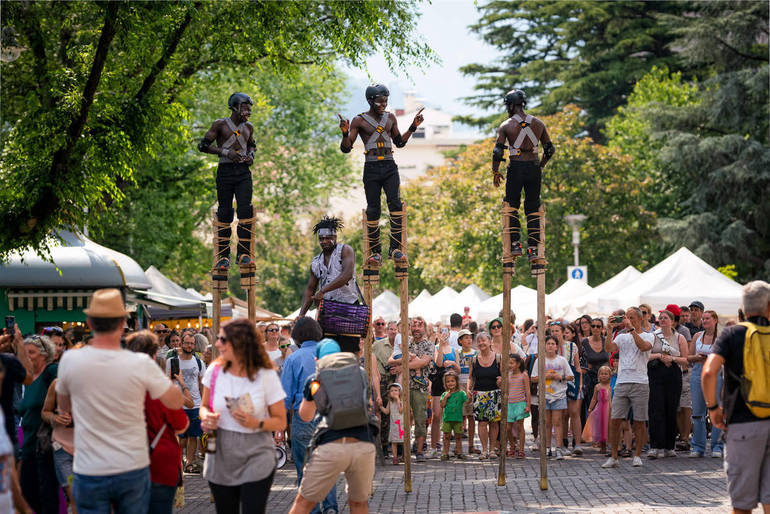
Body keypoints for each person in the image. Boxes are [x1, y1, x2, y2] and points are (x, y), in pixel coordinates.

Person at [56, 289, 185, 513]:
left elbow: (64, 411)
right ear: (123, 322)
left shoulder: (70, 360)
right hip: (131, 466)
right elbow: (175, 401)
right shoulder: (140, 363)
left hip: (90, 467)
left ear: (89, 322)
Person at [200, 319, 287, 514]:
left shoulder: (265, 374)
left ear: (240, 343)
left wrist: (256, 422)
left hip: (256, 453)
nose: (217, 344)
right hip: (221, 451)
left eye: (223, 339)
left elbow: (281, 420)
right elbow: (204, 406)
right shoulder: (214, 371)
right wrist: (206, 417)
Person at [338, 84, 425, 266]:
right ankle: (375, 252)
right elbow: (346, 148)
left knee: (395, 204)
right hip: (371, 167)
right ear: (370, 101)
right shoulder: (359, 121)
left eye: (385, 100)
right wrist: (345, 132)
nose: (383, 104)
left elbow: (399, 142)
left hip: (389, 166)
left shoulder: (390, 118)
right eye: (379, 101)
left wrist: (413, 126)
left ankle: (395, 249)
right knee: (373, 209)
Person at [288, 340, 378, 514]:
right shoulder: (359, 373)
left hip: (331, 445)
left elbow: (306, 416)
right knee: (359, 503)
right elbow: (368, 404)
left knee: (303, 502)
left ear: (317, 360)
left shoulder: (315, 380)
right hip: (363, 444)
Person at [704, 280, 770, 513]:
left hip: (743, 423)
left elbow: (709, 372)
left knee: (742, 504)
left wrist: (713, 408)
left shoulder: (732, 334)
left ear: (744, 308)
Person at [126, 331, 190, 514]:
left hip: (127, 464)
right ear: (154, 355)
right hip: (161, 465)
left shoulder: (119, 387)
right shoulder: (163, 388)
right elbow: (181, 425)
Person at [280, 317, 338, 514]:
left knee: (305, 469)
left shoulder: (293, 359)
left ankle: (312, 510)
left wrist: (280, 426)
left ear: (296, 336)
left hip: (303, 416)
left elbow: (285, 397)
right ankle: (330, 507)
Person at [491, 88, 555, 262]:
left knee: (512, 206)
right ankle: (533, 249)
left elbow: (498, 152)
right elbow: (549, 149)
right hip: (534, 167)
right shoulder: (539, 124)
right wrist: (540, 166)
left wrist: (496, 171)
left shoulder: (506, 126)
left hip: (516, 168)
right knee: (533, 207)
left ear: (511, 105)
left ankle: (515, 245)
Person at [198, 92, 256, 271]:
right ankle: (223, 257)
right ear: (235, 107)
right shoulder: (220, 124)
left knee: (245, 211)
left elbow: (252, 145)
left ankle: (243, 254)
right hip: (225, 171)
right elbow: (203, 146)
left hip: (243, 172)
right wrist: (225, 152)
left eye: (249, 108)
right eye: (245, 107)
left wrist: (251, 156)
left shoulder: (249, 127)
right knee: (225, 213)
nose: (248, 111)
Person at [299, 216, 362, 353]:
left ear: (335, 236)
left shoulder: (345, 250)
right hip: (328, 310)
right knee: (327, 350)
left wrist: (323, 291)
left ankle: (351, 373)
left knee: (349, 351)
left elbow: (347, 274)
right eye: (321, 239)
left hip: (348, 308)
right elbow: (310, 289)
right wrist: (301, 314)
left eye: (328, 238)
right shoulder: (316, 262)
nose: (324, 241)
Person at [601, 307, 653, 469]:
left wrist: (631, 328)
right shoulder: (622, 337)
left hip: (640, 382)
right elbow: (609, 349)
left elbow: (644, 347)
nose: (627, 320)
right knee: (615, 419)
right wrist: (609, 330)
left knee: (639, 420)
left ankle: (637, 455)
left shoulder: (648, 335)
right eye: (625, 317)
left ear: (639, 319)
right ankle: (614, 456)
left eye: (631, 317)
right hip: (622, 381)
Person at [18, 334, 59, 514]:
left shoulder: (52, 371)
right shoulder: (25, 379)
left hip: (45, 448)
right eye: (24, 353)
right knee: (28, 496)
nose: (27, 357)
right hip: (27, 447)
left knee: (47, 498)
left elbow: (69, 387)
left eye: (31, 353)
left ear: (44, 355)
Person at [387, 317, 432, 461]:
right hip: (403, 388)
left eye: (420, 325)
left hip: (419, 387)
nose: (416, 328)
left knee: (420, 418)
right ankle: (402, 451)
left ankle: (419, 451)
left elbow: (423, 362)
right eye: (414, 325)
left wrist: (401, 366)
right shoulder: (404, 342)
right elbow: (390, 360)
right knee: (402, 419)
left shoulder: (429, 345)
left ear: (424, 328)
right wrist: (408, 361)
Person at [646, 309, 688, 459]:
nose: (663, 320)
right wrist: (659, 356)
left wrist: (673, 359)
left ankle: (670, 446)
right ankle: (655, 446)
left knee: (671, 409)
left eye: (666, 318)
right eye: (661, 318)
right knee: (655, 409)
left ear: (672, 321)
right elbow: (645, 355)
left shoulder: (679, 337)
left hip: (673, 375)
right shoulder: (653, 336)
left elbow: (685, 359)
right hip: (656, 373)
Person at [165, 331, 206, 474]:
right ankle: (178, 460)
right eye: (187, 343)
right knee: (180, 438)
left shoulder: (199, 362)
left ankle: (189, 462)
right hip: (178, 403)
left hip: (195, 404)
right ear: (182, 344)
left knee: (193, 435)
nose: (190, 346)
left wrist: (203, 403)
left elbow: (202, 384)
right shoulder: (172, 361)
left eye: (192, 343)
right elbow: (167, 382)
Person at [531, 335, 573, 460]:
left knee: (558, 422)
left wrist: (559, 377)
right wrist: (545, 376)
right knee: (546, 423)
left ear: (556, 346)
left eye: (552, 343)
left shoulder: (562, 360)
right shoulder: (540, 360)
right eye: (547, 343)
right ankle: (547, 448)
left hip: (559, 395)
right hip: (544, 396)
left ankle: (559, 448)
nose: (550, 345)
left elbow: (570, 376)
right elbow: (533, 378)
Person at [688, 309, 723, 458]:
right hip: (697, 372)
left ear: (715, 320)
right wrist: (697, 357)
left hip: (715, 373)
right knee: (697, 412)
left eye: (707, 318)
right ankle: (698, 446)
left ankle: (717, 446)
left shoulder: (722, 337)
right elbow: (688, 357)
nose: (704, 321)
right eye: (703, 319)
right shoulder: (697, 336)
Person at [468, 331, 501, 460]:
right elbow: (471, 377)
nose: (481, 343)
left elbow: (504, 376)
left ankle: (492, 449)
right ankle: (484, 450)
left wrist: (501, 380)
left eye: (484, 340)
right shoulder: (474, 359)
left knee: (493, 423)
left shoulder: (498, 358)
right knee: (482, 423)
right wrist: (468, 389)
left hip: (494, 394)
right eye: (479, 341)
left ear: (490, 342)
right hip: (479, 394)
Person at [0, 326, 33, 452]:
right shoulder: (8, 361)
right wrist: (20, 343)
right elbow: (28, 377)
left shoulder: (9, 361)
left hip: (10, 427)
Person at [553, 321, 583, 454]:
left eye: (557, 331)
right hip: (555, 383)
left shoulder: (571, 346)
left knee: (575, 412)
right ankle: (563, 442)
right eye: (552, 331)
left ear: (563, 332)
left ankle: (577, 444)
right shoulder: (550, 346)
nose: (554, 333)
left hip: (571, 381)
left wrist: (580, 384)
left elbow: (577, 367)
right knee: (562, 414)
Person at [429, 330, 459, 458]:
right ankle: (434, 446)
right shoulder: (435, 348)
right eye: (442, 332)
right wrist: (440, 344)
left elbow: (458, 368)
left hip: (451, 384)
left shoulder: (454, 350)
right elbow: (439, 363)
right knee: (436, 416)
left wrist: (452, 363)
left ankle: (449, 447)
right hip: (438, 383)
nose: (444, 335)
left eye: (446, 332)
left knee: (451, 416)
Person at [372, 317, 396, 456]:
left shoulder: (401, 345)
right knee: (382, 413)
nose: (393, 332)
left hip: (396, 381)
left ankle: (396, 445)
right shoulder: (377, 345)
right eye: (391, 329)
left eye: (395, 329)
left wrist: (398, 367)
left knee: (396, 413)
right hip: (382, 381)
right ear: (387, 331)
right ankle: (383, 446)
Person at [581, 318, 610, 418]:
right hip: (590, 379)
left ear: (602, 328)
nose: (595, 328)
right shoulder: (584, 342)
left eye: (598, 326)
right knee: (591, 406)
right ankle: (590, 431)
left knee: (605, 406)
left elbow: (609, 358)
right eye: (593, 326)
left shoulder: (606, 341)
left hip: (605, 378)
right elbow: (581, 360)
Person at [457, 329, 478, 454]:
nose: (469, 340)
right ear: (460, 341)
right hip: (459, 385)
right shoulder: (457, 353)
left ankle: (471, 445)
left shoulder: (475, 353)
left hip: (471, 385)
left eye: (470, 338)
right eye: (466, 338)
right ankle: (458, 446)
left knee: (471, 416)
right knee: (459, 415)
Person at [505, 354, 530, 459]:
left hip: (520, 403)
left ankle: (521, 449)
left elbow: (527, 390)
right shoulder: (508, 375)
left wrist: (528, 404)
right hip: (510, 404)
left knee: (520, 426)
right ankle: (512, 445)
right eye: (508, 362)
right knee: (508, 428)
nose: (510, 365)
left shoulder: (523, 375)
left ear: (518, 364)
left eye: (512, 362)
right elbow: (506, 389)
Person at [584, 365, 612, 454]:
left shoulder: (611, 386)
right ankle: (602, 446)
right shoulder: (597, 386)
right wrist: (590, 408)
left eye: (606, 374)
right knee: (601, 427)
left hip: (609, 409)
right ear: (598, 375)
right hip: (599, 409)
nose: (603, 376)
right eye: (602, 374)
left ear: (610, 375)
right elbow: (594, 398)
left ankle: (611, 444)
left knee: (609, 427)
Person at [439, 371, 467, 460]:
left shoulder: (461, 393)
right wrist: (446, 397)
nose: (450, 383)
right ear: (445, 383)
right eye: (448, 381)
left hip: (458, 419)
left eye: (452, 381)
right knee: (446, 436)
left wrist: (469, 397)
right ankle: (445, 453)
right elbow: (442, 405)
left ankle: (459, 452)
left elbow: (467, 401)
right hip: (447, 419)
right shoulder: (444, 394)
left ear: (456, 382)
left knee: (458, 436)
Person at [379, 383, 404, 465]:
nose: (393, 392)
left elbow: (401, 410)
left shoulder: (403, 401)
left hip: (401, 425)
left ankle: (404, 456)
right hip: (394, 425)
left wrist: (398, 400)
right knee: (394, 442)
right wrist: (380, 406)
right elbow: (386, 411)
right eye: (392, 391)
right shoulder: (390, 402)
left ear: (400, 392)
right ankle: (395, 457)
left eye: (396, 390)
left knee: (404, 441)